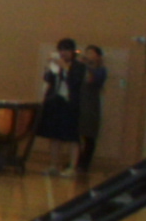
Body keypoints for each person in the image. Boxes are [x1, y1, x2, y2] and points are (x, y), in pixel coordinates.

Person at [38, 37, 83, 175]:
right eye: (61, 50)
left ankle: (72, 167)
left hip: (70, 104)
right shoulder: (56, 65)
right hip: (55, 101)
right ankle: (53, 165)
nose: (63, 53)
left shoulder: (78, 66)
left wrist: (65, 67)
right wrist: (50, 68)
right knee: (54, 135)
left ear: (72, 52)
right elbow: (48, 79)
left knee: (72, 136)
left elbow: (75, 82)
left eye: (66, 50)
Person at [77, 45, 108, 174]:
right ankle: (77, 160)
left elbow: (93, 79)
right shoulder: (82, 69)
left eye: (91, 53)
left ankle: (85, 163)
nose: (88, 55)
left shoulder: (101, 70)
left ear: (98, 56)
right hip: (80, 103)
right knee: (77, 134)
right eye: (87, 52)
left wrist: (86, 65)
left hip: (91, 105)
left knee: (89, 135)